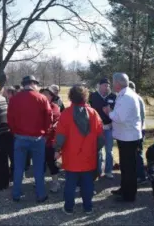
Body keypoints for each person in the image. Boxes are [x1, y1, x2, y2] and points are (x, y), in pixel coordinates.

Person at [55, 85, 104, 215]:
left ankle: (69, 208)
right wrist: (94, 149)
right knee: (88, 184)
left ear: (71, 97)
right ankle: (88, 207)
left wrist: (57, 150)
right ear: (85, 96)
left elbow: (60, 136)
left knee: (70, 183)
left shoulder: (66, 114)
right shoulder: (94, 113)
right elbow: (101, 137)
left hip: (71, 156)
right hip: (89, 156)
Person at [8, 75, 52, 203]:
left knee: (18, 168)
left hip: (20, 137)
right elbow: (49, 118)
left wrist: (14, 131)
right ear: (33, 84)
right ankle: (41, 194)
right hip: (37, 138)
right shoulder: (42, 98)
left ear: (24, 84)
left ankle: (16, 194)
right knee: (38, 168)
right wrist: (46, 133)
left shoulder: (15, 99)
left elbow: (10, 119)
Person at [103, 73, 142, 203]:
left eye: (113, 82)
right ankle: (124, 189)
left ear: (118, 84)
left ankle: (129, 195)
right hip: (126, 136)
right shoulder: (124, 94)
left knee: (129, 167)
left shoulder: (126, 97)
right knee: (125, 166)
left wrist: (109, 112)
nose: (113, 85)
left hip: (128, 137)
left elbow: (120, 117)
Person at [89, 78, 117, 179]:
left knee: (109, 151)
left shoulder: (113, 96)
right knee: (98, 150)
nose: (107, 87)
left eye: (108, 85)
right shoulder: (93, 96)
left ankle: (108, 171)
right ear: (99, 85)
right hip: (97, 128)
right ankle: (98, 171)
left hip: (109, 127)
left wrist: (110, 110)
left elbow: (116, 111)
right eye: (105, 85)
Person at [40, 86, 61, 193]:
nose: (44, 96)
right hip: (39, 140)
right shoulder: (37, 106)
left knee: (52, 162)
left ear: (52, 97)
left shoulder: (55, 107)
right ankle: (40, 181)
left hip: (50, 141)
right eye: (43, 94)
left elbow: (54, 124)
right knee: (40, 162)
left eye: (47, 94)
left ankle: (55, 183)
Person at [128, 81, 147, 184]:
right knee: (136, 153)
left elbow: (141, 117)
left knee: (138, 153)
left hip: (138, 131)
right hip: (137, 130)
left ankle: (141, 176)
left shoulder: (136, 99)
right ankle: (137, 174)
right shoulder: (136, 98)